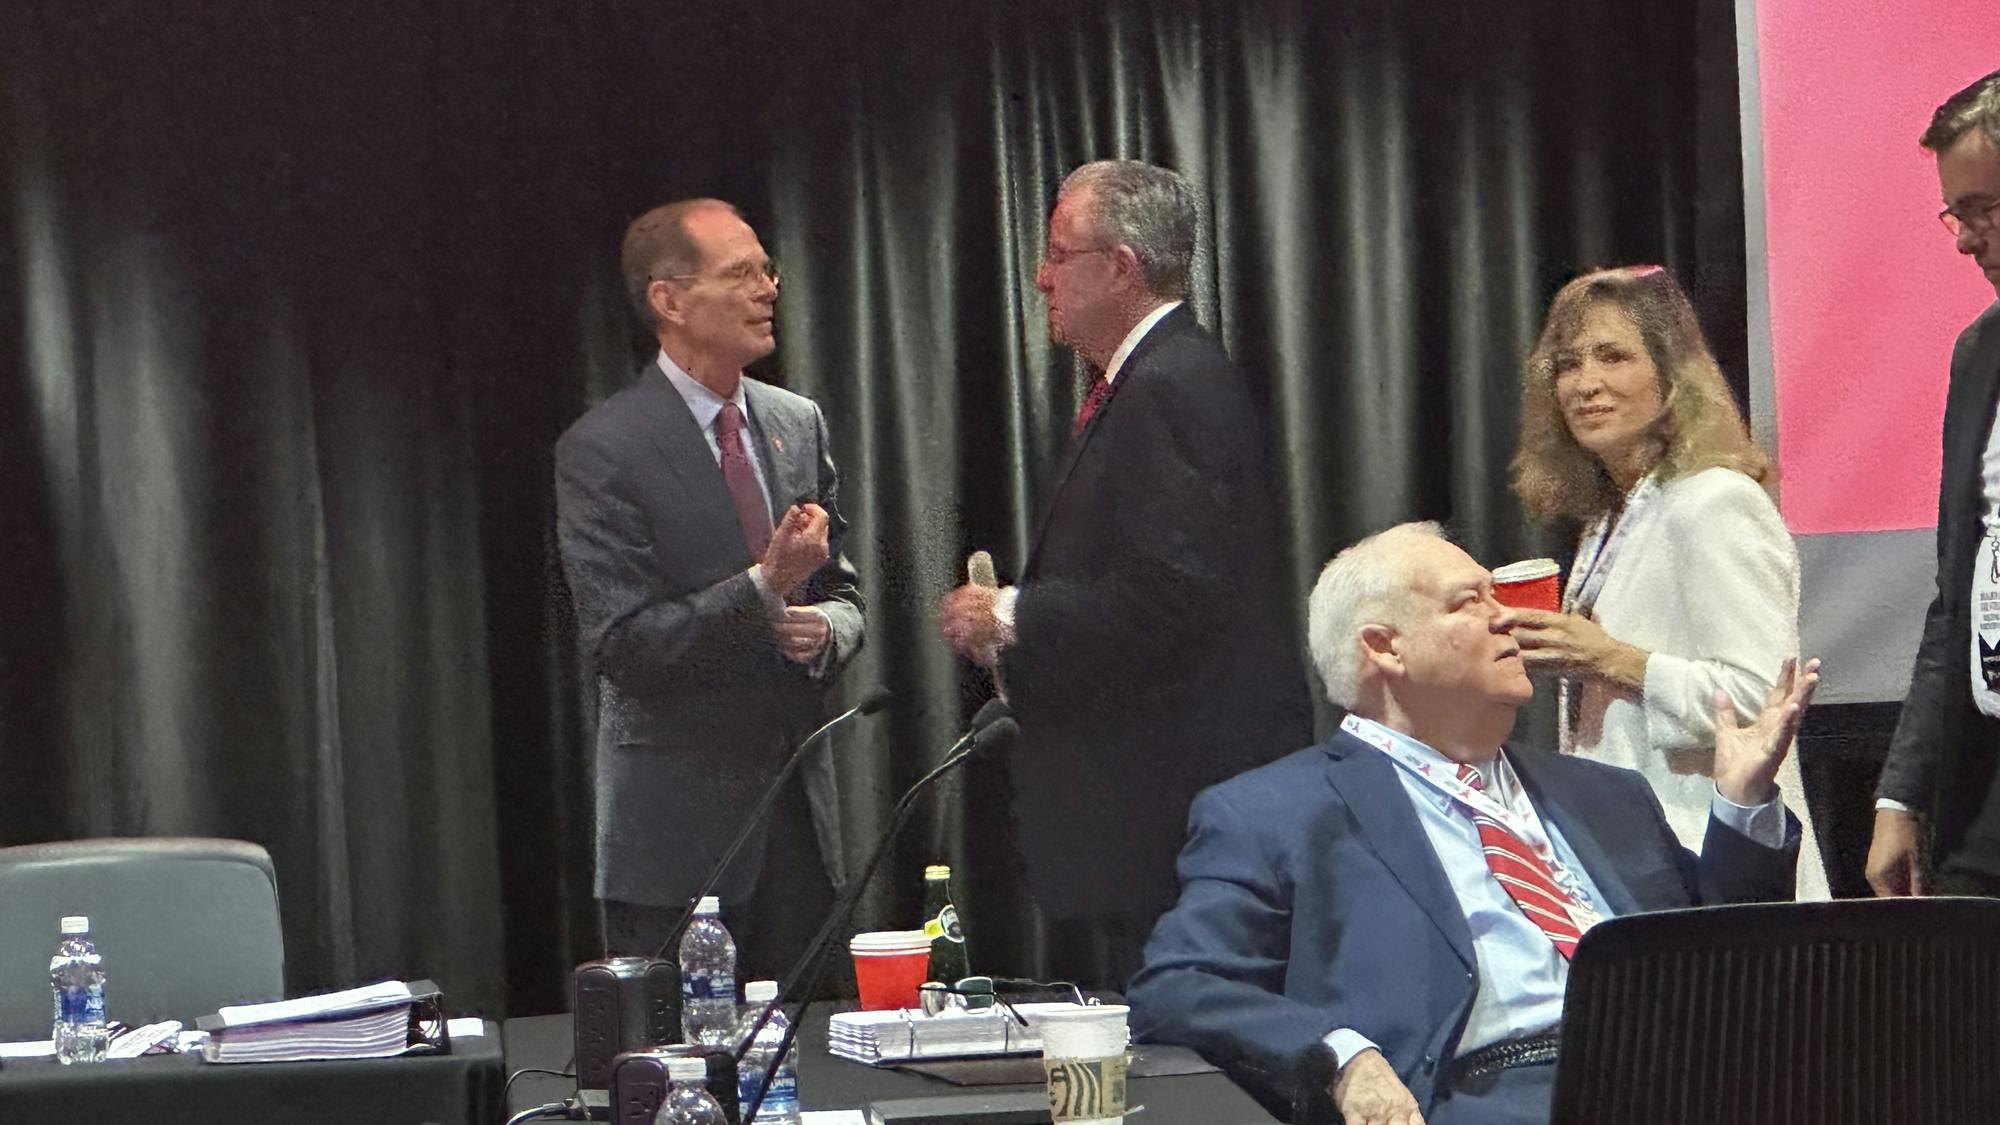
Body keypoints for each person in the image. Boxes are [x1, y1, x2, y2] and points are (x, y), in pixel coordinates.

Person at [1129, 523, 1809, 1125]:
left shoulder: (1606, 794)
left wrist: (1743, 801)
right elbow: (1177, 983)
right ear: (1384, 648)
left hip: (1682, 1084)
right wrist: (1342, 1054)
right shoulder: (1277, 812)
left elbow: (1730, 959)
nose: (1507, 617)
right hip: (1491, 1093)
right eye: (1469, 601)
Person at [935, 160, 1311, 990]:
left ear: (1121, 267)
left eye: (1058, 254)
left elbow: (1174, 594)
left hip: (1169, 820)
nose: (1041, 277)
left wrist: (1011, 611)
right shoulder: (1154, 378)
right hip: (1147, 816)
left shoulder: (1172, 384)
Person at [555, 198, 865, 974]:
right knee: (678, 1078)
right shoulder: (604, 450)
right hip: (675, 843)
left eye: (768, 269)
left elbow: (844, 590)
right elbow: (625, 644)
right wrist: (763, 587)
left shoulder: (797, 421)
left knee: (804, 1079)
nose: (768, 288)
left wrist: (828, 626)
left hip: (797, 824)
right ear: (668, 299)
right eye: (741, 273)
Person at [1507, 264, 1827, 900]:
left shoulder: (1713, 502)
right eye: (1568, 364)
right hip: (1635, 859)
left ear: (1673, 376)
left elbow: (1765, 702)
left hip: (1717, 861)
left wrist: (1614, 659)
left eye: (1613, 357)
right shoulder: (1610, 517)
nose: (1585, 384)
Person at [1870, 69, 2000, 898]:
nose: (1963, 238)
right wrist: (1901, 790)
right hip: (1986, 782)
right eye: (1957, 212)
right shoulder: (1978, 351)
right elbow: (1953, 598)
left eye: (1984, 209)